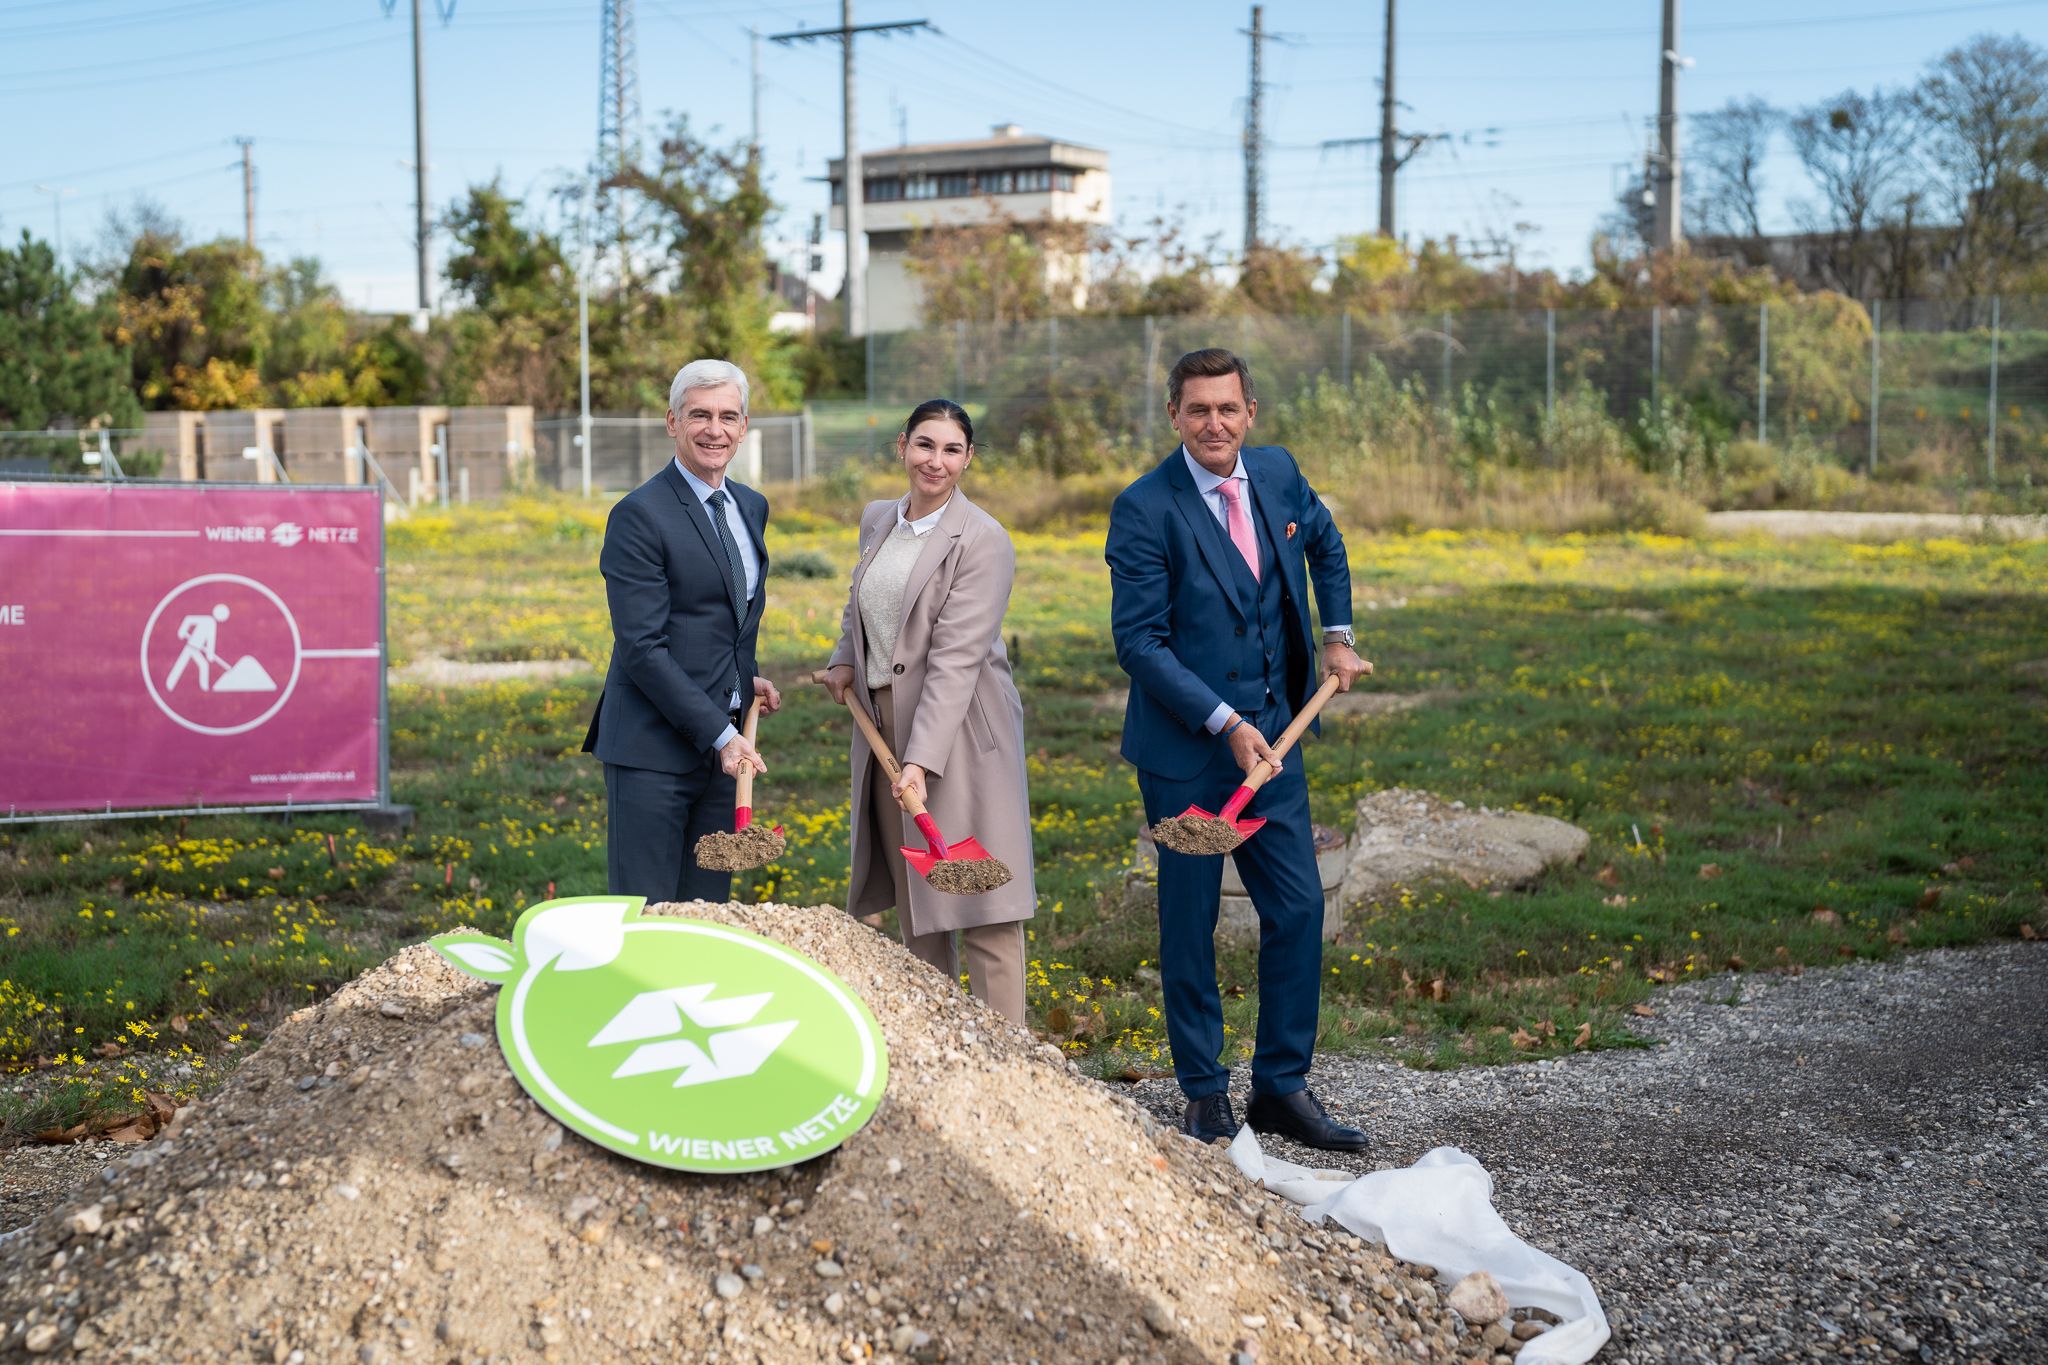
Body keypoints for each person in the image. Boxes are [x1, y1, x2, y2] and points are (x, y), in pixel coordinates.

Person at [1106, 347, 1373, 1152]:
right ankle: (1203, 1090)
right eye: (1198, 410)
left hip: (1277, 739)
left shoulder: (1281, 474)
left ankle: (1282, 1085)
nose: (1214, 423)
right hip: (1189, 752)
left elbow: (1324, 544)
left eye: (1228, 408)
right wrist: (1224, 720)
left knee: (1297, 906)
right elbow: (1140, 644)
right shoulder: (1144, 508)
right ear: (1174, 417)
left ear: (1250, 411)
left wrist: (1337, 634)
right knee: (1187, 922)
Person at [823, 399, 1034, 1023]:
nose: (935, 461)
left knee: (983, 908)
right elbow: (860, 601)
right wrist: (843, 659)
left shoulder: (983, 540)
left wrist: (920, 761)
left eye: (950, 450)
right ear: (901, 446)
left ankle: (1010, 1066)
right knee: (919, 902)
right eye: (924, 445)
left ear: (968, 458)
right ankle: (942, 1055)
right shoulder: (877, 521)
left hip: (964, 734)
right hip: (886, 726)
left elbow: (956, 659)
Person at [584, 359, 782, 903]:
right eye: (699, 415)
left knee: (706, 914)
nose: (713, 429)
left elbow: (724, 616)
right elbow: (643, 648)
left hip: (723, 746)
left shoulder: (750, 506)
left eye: (727, 416)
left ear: (743, 427)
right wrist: (722, 736)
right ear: (672, 422)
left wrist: (745, 680)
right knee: (647, 914)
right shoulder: (639, 515)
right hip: (652, 750)